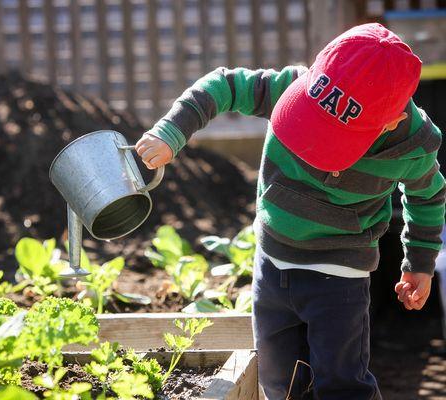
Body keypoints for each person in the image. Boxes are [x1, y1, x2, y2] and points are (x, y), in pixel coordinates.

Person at [135, 23, 445, 399]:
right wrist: (172, 131)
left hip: (339, 276)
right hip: (272, 262)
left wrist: (420, 263)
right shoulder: (289, 86)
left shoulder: (413, 146)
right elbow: (223, 85)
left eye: (331, 137)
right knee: (279, 381)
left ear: (392, 120)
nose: (313, 143)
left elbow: (427, 197)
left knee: (341, 383)